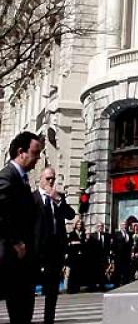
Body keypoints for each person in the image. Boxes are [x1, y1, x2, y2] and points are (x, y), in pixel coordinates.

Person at [0, 131, 43, 324]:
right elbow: (2, 214)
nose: (38, 159)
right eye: (35, 153)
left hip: (25, 258)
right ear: (21, 152)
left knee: (24, 311)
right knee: (18, 308)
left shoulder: (23, 179)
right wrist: (16, 241)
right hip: (13, 256)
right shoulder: (7, 177)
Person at [32, 167, 76, 324]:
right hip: (36, 251)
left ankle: (48, 320)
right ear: (41, 178)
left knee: (52, 291)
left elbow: (71, 214)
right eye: (48, 178)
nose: (51, 181)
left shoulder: (58, 198)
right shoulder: (33, 198)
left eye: (53, 179)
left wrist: (58, 199)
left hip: (54, 251)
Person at [85, 223, 112, 291]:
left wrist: (108, 255)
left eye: (101, 226)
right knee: (94, 271)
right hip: (95, 257)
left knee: (102, 271)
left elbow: (108, 246)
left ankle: (102, 286)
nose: (100, 228)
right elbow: (89, 247)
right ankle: (93, 286)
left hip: (103, 256)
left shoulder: (107, 235)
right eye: (99, 226)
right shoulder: (92, 235)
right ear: (96, 227)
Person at [66, 219, 87, 293]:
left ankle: (77, 288)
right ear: (75, 225)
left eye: (80, 224)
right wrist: (76, 243)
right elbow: (69, 243)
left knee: (79, 272)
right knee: (72, 272)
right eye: (78, 224)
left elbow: (84, 243)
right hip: (73, 256)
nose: (79, 226)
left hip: (80, 256)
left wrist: (78, 242)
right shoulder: (72, 234)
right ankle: (70, 289)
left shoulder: (83, 234)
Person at [111, 221, 133, 288]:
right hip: (119, 256)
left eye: (125, 225)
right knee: (118, 271)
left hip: (127, 256)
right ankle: (116, 285)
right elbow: (114, 245)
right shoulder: (116, 234)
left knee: (126, 271)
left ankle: (125, 284)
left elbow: (130, 244)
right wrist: (115, 253)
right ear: (120, 226)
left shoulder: (129, 234)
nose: (124, 226)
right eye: (123, 225)